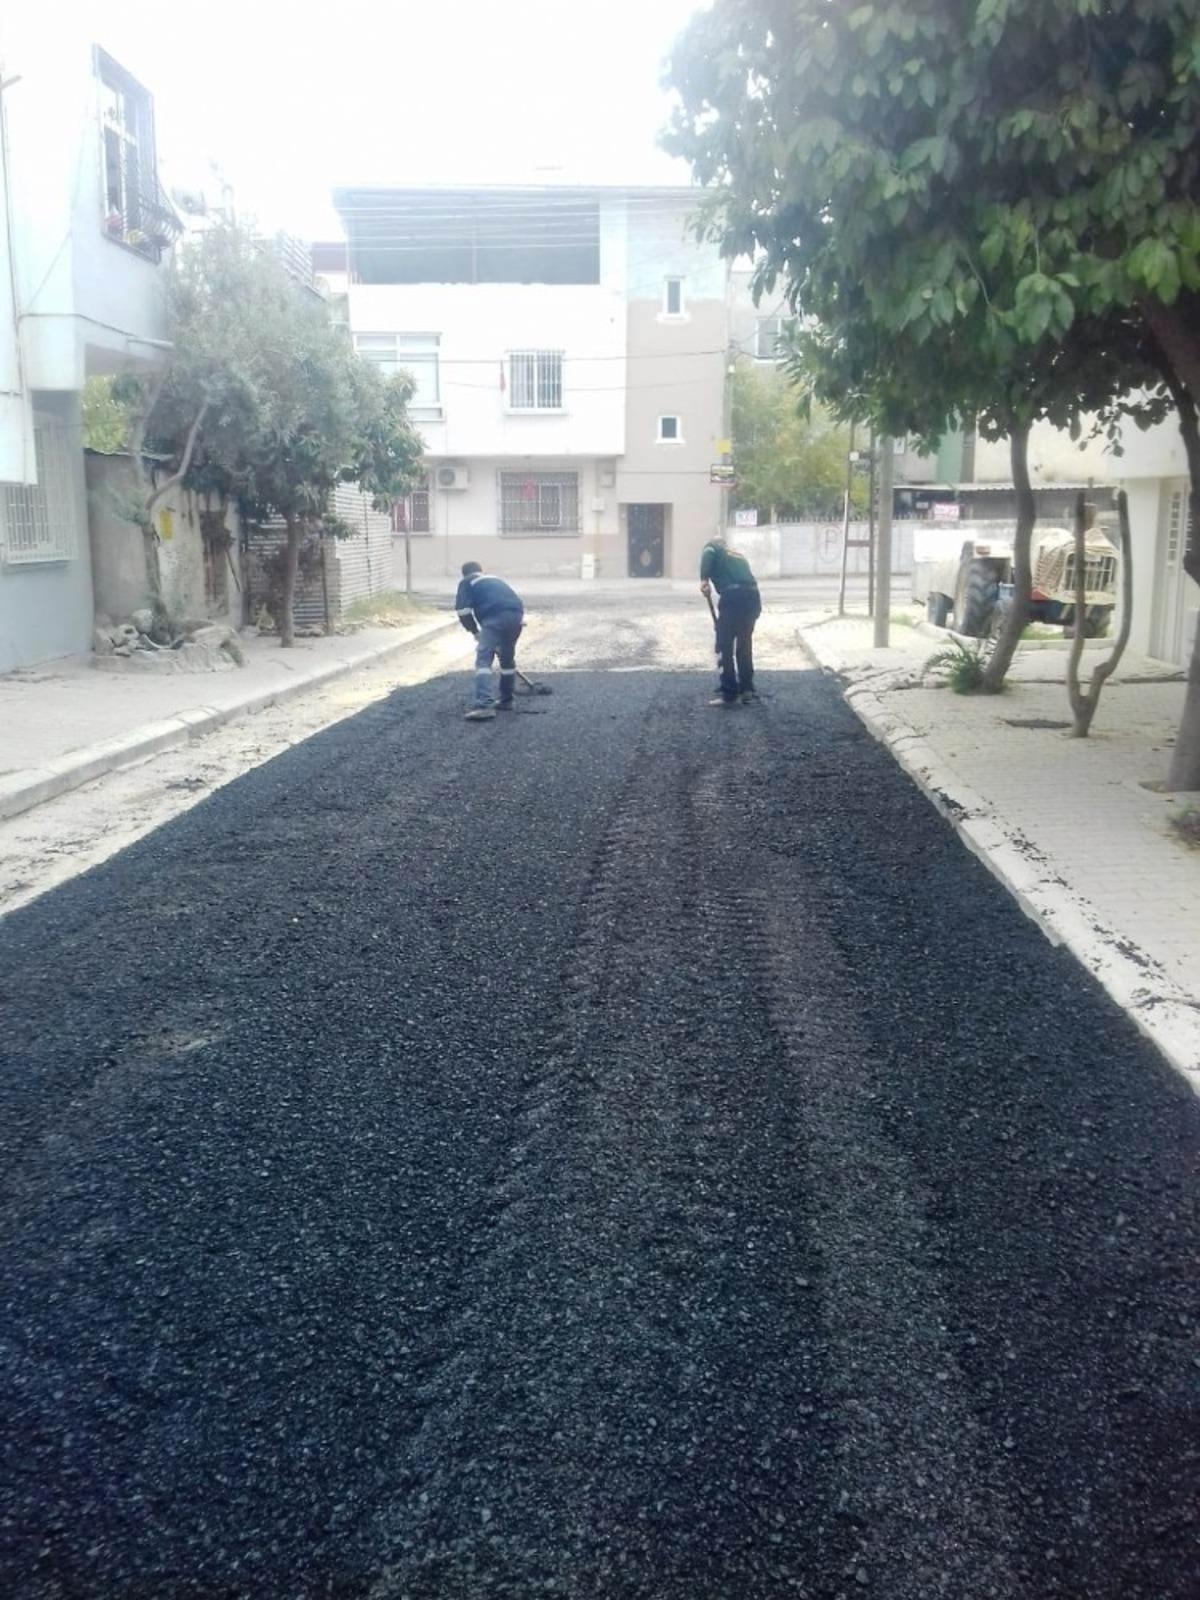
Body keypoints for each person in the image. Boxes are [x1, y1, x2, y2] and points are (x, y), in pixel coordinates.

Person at [454, 561, 525, 721]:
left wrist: (475, 631)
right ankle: (507, 700)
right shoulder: (494, 579)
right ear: (481, 570)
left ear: (465, 573)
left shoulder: (467, 581)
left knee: (483, 660)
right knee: (507, 659)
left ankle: (484, 705)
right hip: (516, 616)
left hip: (494, 618)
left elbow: (463, 610)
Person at [700, 535, 762, 706]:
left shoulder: (712, 548)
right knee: (744, 644)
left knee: (724, 645)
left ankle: (729, 692)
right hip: (753, 598)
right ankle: (746, 689)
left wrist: (704, 580)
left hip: (734, 597)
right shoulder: (737, 555)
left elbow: (708, 554)